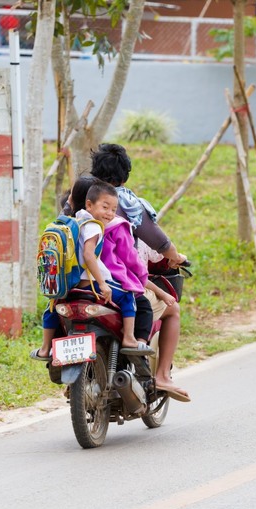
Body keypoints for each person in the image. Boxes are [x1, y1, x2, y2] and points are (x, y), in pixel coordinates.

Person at [89, 143, 190, 402]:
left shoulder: (80, 197)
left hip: (78, 283)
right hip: (117, 281)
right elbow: (160, 242)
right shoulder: (126, 202)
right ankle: (162, 375)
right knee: (172, 309)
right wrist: (177, 258)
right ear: (125, 175)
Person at [31, 180, 153, 361]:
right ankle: (129, 338)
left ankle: (44, 348)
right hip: (91, 284)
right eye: (106, 207)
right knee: (129, 297)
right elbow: (89, 255)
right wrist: (103, 284)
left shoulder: (72, 221)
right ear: (89, 204)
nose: (110, 214)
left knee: (51, 309)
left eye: (113, 209)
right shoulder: (94, 225)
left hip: (70, 286)